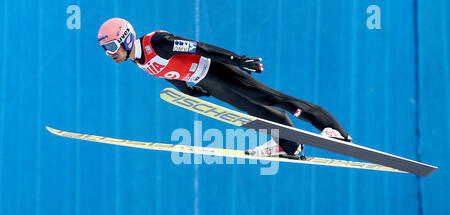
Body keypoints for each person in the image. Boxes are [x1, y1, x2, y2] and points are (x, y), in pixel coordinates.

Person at [97, 18, 352, 157]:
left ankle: (332, 128)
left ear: (126, 38)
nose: (110, 54)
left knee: (270, 98)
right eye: (105, 50)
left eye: (111, 47)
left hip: (217, 71)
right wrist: (189, 91)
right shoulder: (141, 62)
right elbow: (170, 74)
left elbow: (201, 47)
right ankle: (289, 146)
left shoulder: (158, 42)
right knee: (256, 112)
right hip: (207, 83)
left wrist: (238, 61)